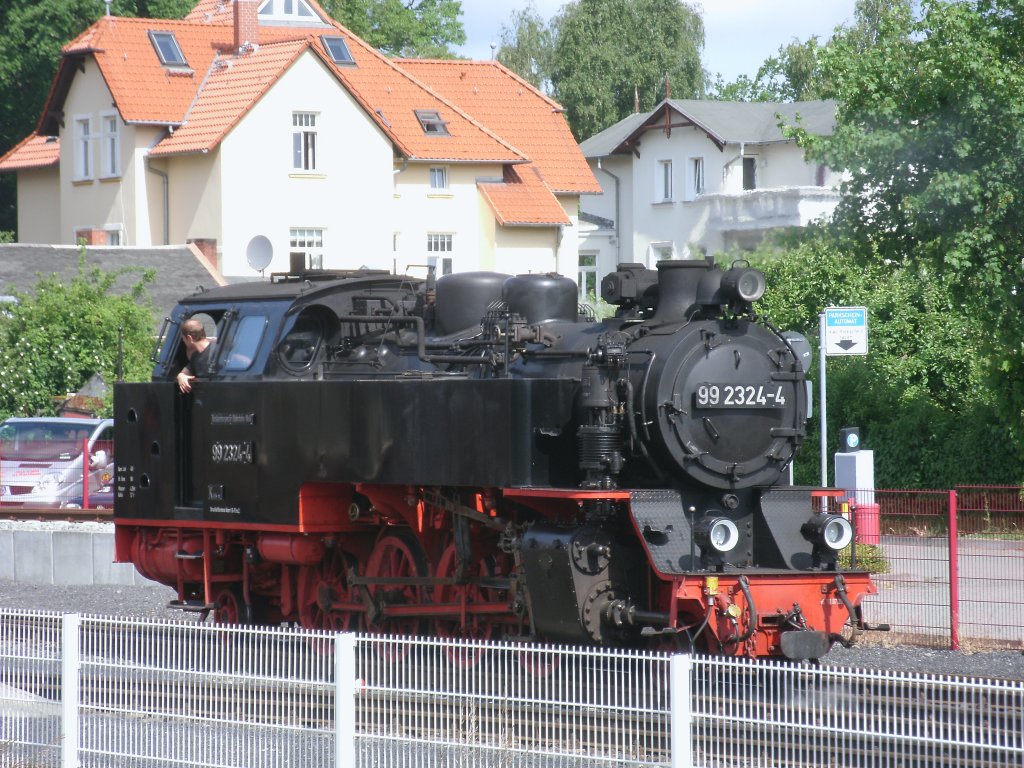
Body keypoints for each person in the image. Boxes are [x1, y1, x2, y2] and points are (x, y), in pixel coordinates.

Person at [176, 318, 214, 393]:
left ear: (189, 338)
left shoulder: (217, 351)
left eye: (183, 338)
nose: (183, 341)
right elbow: (184, 373)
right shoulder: (195, 356)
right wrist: (181, 376)